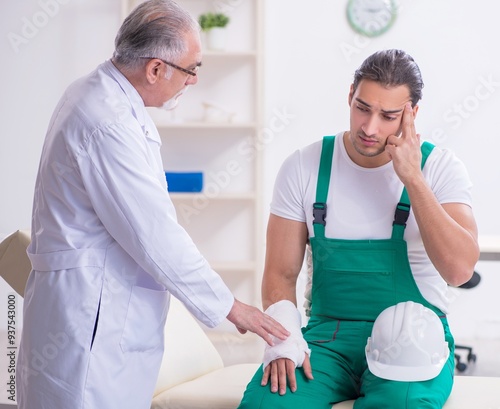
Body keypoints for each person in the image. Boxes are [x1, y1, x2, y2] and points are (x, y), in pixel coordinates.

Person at [16, 1, 289, 408]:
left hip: (96, 309)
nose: (194, 80)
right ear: (156, 69)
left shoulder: (101, 93)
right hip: (90, 318)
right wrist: (232, 308)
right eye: (191, 69)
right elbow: (154, 235)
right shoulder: (107, 121)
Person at [238, 49, 479, 409]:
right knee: (265, 404)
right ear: (350, 94)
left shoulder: (440, 168)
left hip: (411, 340)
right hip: (326, 341)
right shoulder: (304, 167)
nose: (370, 127)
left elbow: (459, 271)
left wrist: (412, 178)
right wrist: (283, 341)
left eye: (388, 116)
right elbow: (279, 275)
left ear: (412, 114)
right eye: (362, 107)